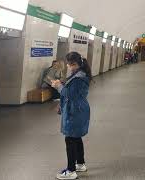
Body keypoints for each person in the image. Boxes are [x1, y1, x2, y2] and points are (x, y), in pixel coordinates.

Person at [51, 52, 91, 180]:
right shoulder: (79, 74)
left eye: (70, 64)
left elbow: (70, 95)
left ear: (76, 64)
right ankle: (80, 163)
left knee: (70, 139)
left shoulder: (78, 77)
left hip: (75, 111)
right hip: (77, 109)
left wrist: (58, 86)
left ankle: (71, 170)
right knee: (76, 137)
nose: (69, 67)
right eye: (68, 64)